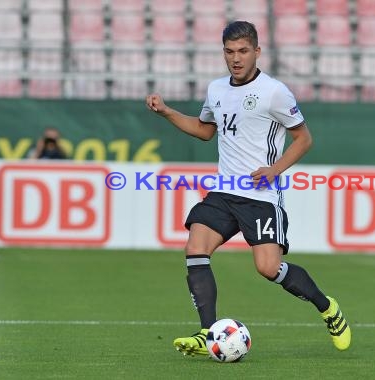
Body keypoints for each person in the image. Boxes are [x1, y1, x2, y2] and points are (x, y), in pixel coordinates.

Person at [145, 21, 351, 356]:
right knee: (195, 248)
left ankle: (327, 307)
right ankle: (207, 333)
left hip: (261, 196)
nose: (236, 58)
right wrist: (167, 112)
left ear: (257, 51)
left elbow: (304, 139)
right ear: (223, 52)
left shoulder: (274, 92)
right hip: (224, 190)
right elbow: (204, 130)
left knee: (268, 268)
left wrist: (274, 170)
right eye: (229, 51)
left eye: (243, 51)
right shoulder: (216, 89)